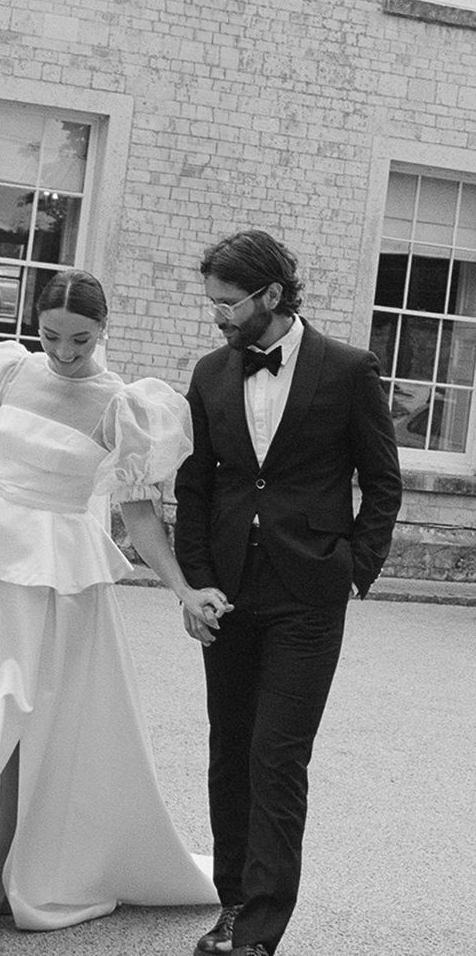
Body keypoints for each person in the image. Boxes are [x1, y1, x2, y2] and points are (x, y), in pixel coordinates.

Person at [0, 269, 230, 956]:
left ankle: (1, 872)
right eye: (51, 335)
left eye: (80, 339)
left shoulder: (123, 406)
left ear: (103, 329)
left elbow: (140, 514)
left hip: (59, 582)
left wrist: (182, 588)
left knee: (37, 728)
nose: (63, 351)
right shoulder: (7, 373)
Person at [174, 230, 402, 956]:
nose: (217, 316)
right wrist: (195, 584)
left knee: (277, 755)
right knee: (230, 752)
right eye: (211, 301)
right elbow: (196, 486)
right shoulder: (210, 374)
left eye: (228, 302)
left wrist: (353, 570)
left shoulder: (347, 369)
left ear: (272, 295)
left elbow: (384, 481)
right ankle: (234, 903)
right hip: (229, 592)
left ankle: (259, 930)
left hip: (310, 593)